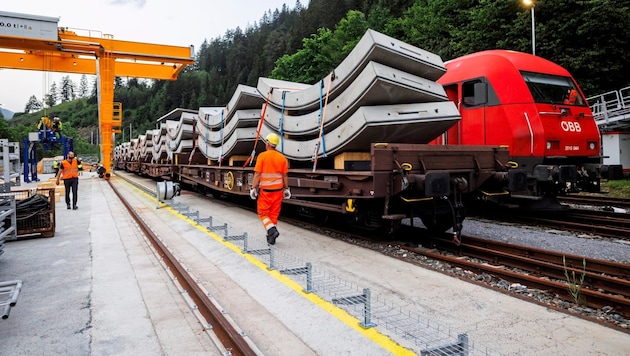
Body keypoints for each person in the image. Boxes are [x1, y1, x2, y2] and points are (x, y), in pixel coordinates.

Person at [250, 133, 290, 245]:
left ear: (268, 143)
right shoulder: (282, 158)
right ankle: (271, 237)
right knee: (273, 213)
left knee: (262, 213)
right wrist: (286, 189)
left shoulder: (262, 156)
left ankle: (272, 230)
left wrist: (253, 188)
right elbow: (285, 176)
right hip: (278, 191)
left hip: (266, 191)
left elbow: (257, 174)